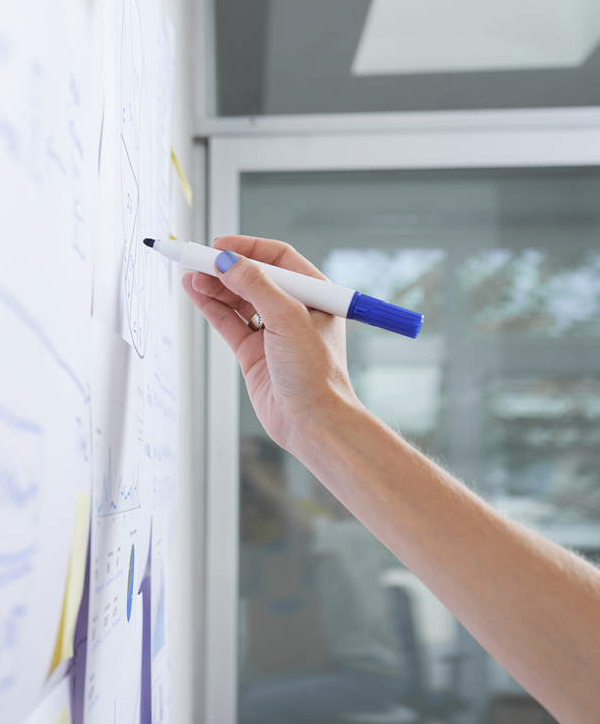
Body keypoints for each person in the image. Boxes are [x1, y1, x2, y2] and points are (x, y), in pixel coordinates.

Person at [184, 235, 600, 724]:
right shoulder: (338, 526)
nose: (323, 489)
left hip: (369, 679)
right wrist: (315, 418)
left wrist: (314, 422)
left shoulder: (343, 532)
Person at [239, 446, 408, 724]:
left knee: (254, 703)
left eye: (331, 484)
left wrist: (254, 471)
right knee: (257, 691)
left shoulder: (355, 536)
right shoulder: (327, 537)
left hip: (368, 679)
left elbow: (309, 529)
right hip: (342, 671)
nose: (321, 492)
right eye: (321, 483)